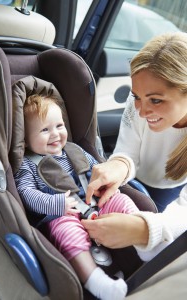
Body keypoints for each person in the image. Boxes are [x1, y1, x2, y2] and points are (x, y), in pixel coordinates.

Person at [14, 93, 141, 300]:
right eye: (45, 130)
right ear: (26, 141)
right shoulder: (28, 165)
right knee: (66, 232)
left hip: (96, 202)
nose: (55, 134)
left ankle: (144, 243)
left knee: (123, 200)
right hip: (63, 213)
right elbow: (26, 194)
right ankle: (96, 281)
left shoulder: (75, 150)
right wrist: (56, 204)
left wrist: (105, 186)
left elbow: (98, 169)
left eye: (59, 126)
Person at [81, 32, 187, 258]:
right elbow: (127, 150)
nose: (141, 110)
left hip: (173, 193)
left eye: (156, 100)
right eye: (136, 96)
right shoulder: (139, 102)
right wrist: (118, 165)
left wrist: (143, 229)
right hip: (134, 180)